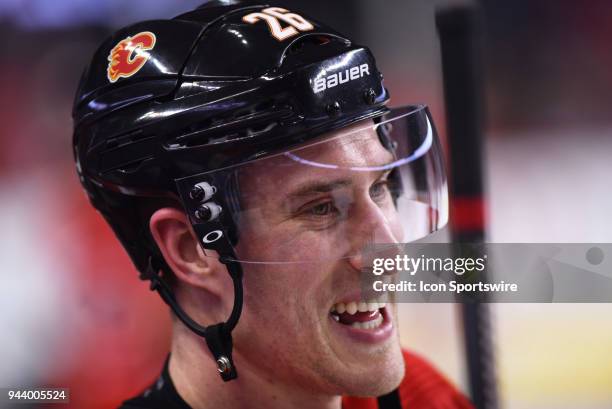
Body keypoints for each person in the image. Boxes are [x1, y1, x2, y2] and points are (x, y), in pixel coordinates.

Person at [72, 1, 473, 408]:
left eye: (380, 186)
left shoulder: (425, 396)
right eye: (321, 208)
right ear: (191, 250)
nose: (389, 252)